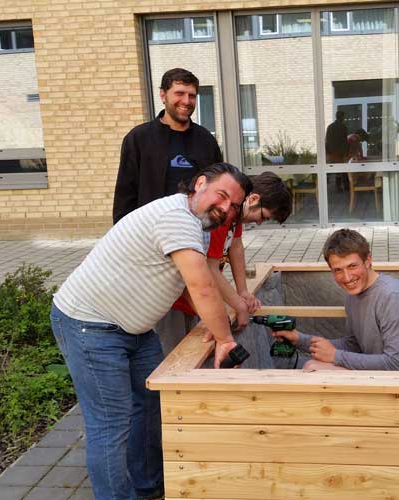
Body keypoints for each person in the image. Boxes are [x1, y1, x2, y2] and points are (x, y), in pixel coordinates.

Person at [50, 163, 250, 500]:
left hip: (132, 330)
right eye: (222, 195)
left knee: (151, 400)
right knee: (111, 424)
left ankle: (147, 484)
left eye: (233, 206)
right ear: (200, 183)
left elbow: (190, 284)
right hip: (90, 325)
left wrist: (214, 319)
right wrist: (225, 338)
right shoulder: (176, 218)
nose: (226, 208)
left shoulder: (194, 223)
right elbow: (201, 288)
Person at [270, 229, 399, 371]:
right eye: (338, 270)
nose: (347, 277)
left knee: (313, 369)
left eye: (352, 266)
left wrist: (335, 356)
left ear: (368, 260)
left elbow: (396, 364)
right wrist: (299, 339)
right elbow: (353, 345)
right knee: (314, 365)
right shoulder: (353, 295)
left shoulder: (392, 297)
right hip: (385, 376)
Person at [165, 172, 292, 355]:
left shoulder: (237, 215)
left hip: (194, 298)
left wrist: (243, 291)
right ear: (254, 199)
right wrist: (238, 306)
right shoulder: (222, 218)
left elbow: (236, 247)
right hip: (174, 300)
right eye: (263, 217)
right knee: (173, 355)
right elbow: (211, 269)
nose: (258, 223)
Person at [113, 67, 222, 224]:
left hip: (196, 230)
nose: (186, 101)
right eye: (179, 93)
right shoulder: (139, 138)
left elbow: (217, 188)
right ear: (163, 95)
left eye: (192, 96)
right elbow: (125, 194)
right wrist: (120, 233)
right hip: (150, 231)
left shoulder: (206, 140)